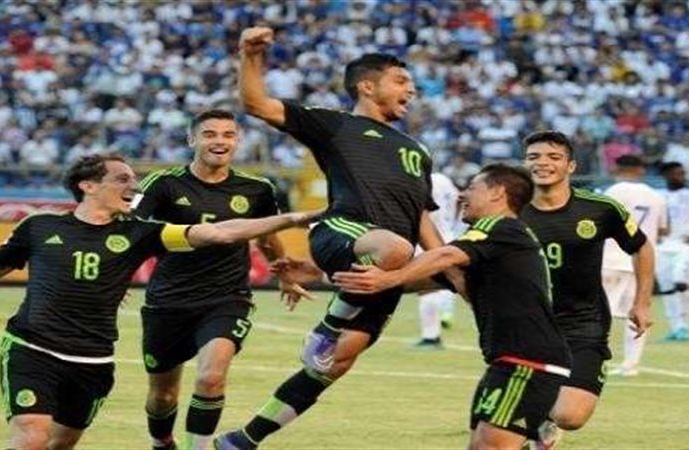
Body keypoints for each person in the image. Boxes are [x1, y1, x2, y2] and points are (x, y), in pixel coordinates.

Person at [0, 154, 320, 450]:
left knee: (60, 442)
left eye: (133, 180)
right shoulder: (39, 226)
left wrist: (293, 218)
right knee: (30, 435)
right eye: (121, 179)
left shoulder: (142, 232)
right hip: (32, 348)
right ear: (88, 185)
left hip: (93, 358)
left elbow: (218, 233)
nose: (133, 187)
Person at [214, 27, 443, 450]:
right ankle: (327, 326)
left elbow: (421, 216)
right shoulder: (336, 124)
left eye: (411, 84)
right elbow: (257, 103)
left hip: (383, 263)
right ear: (367, 86)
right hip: (341, 230)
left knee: (333, 365)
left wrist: (445, 260)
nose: (410, 90)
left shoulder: (418, 150)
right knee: (394, 248)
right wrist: (250, 55)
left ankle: (242, 440)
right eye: (400, 81)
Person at [332, 164, 572, 450]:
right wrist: (333, 273)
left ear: (497, 193)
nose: (461, 195)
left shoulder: (500, 227)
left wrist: (388, 278)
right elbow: (425, 278)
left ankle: (539, 434)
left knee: (491, 447)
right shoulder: (495, 247)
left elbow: (444, 255)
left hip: (528, 362)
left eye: (471, 188)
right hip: (511, 361)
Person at [134, 109, 309, 450]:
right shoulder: (162, 183)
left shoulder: (258, 189)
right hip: (167, 301)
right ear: (192, 139)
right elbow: (129, 229)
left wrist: (284, 274)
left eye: (228, 135)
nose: (220, 141)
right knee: (162, 394)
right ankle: (161, 442)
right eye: (210, 134)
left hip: (227, 298)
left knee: (211, 378)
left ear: (237, 141)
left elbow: (266, 236)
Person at [519, 131, 654, 446]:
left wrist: (642, 303)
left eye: (554, 157)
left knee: (571, 416)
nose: (542, 163)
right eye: (534, 157)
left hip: (584, 324)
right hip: (526, 324)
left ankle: (543, 420)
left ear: (571, 166)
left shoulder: (600, 208)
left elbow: (642, 247)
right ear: (524, 164)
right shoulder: (510, 209)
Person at [601, 155, 668, 376]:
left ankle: (594, 360)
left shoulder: (612, 192)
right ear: (641, 170)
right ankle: (630, 365)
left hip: (610, 259)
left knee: (598, 314)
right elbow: (664, 230)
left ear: (616, 169)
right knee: (638, 314)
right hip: (641, 263)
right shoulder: (657, 196)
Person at [655, 161, 689, 342]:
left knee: (680, 280)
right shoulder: (658, 195)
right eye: (676, 173)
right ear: (666, 176)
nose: (681, 177)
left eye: (682, 173)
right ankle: (676, 328)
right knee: (667, 287)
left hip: (687, 244)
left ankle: (684, 326)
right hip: (663, 245)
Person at [416, 171, 462, 348]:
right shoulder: (443, 179)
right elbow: (459, 200)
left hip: (428, 238)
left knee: (427, 288)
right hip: (448, 235)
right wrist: (454, 223)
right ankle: (445, 314)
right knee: (449, 281)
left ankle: (431, 336)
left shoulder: (420, 180)